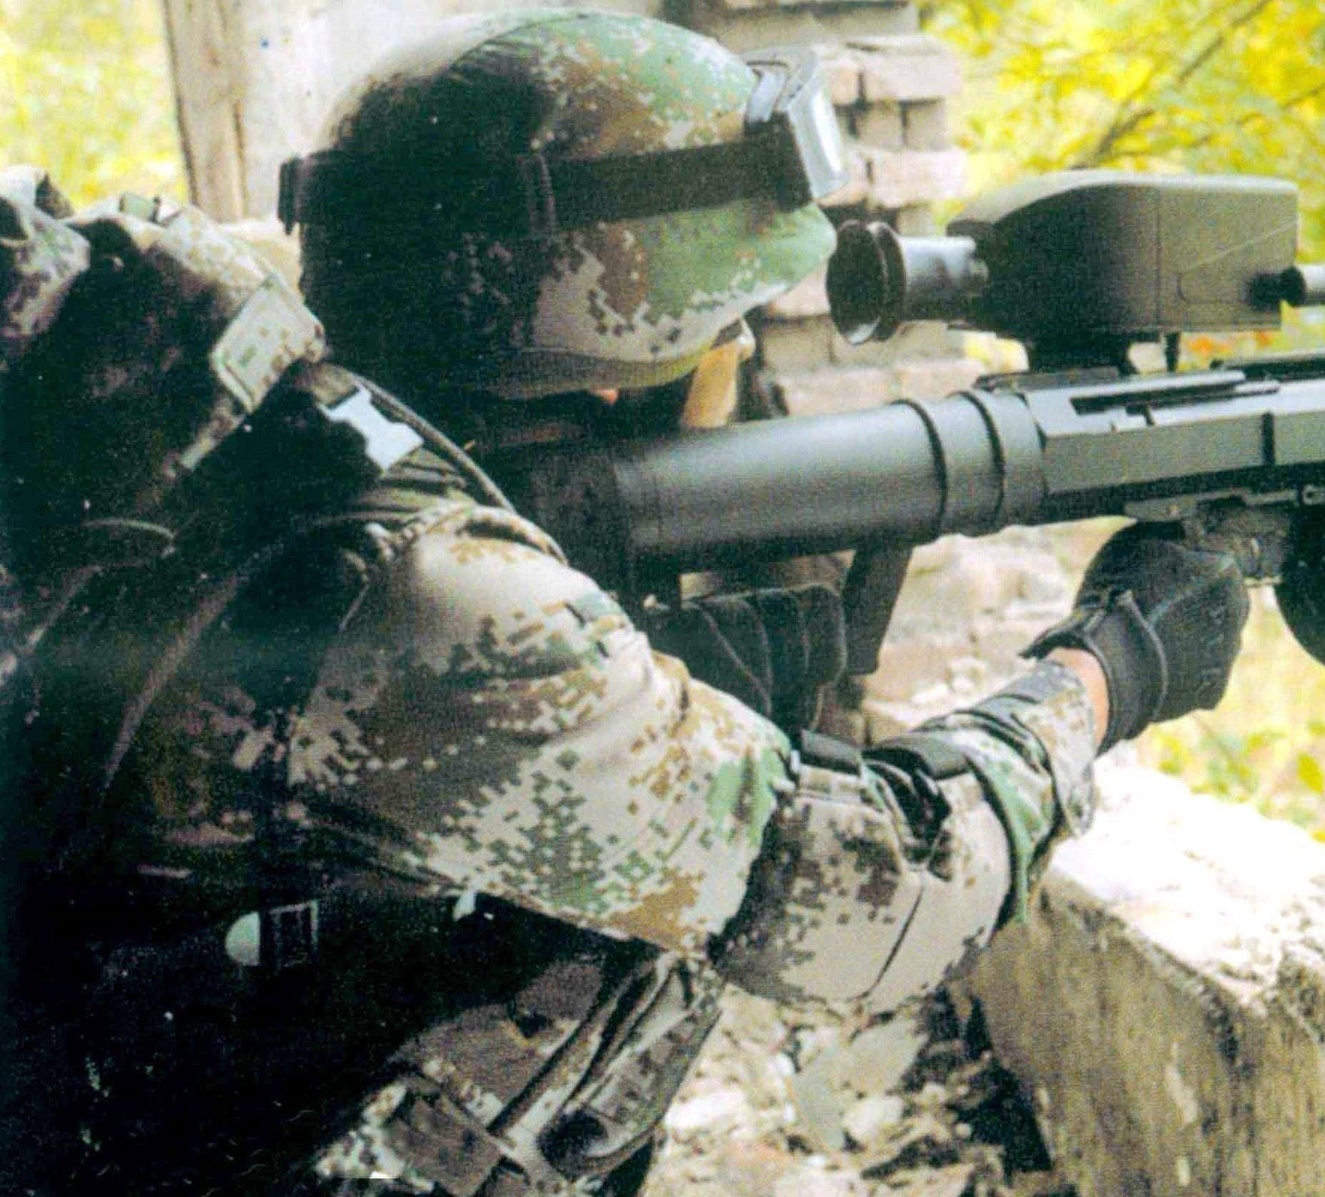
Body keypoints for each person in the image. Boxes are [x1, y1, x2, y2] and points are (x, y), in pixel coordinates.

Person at [3, 12, 1249, 1197]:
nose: (738, 360)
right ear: (617, 353)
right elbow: (876, 901)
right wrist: (1108, 669)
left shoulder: (250, 427)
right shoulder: (444, 600)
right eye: (729, 326)